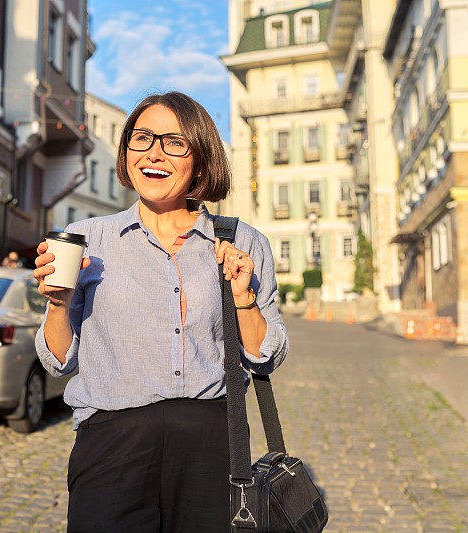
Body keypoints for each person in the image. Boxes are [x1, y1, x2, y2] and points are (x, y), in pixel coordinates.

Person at [33, 91, 289, 532]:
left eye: (174, 142)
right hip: (111, 447)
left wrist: (243, 297)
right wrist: (58, 304)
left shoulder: (242, 241)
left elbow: (265, 355)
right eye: (142, 138)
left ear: (202, 159)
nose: (154, 153)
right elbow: (59, 361)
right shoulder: (86, 238)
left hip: (214, 448)